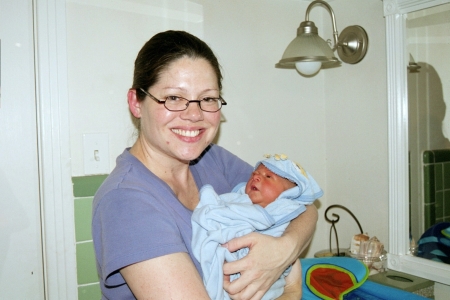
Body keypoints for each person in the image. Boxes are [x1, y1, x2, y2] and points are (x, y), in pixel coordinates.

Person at [92, 30, 318, 300]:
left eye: (208, 98)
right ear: (136, 103)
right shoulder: (125, 202)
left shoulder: (212, 159)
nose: (195, 114)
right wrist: (291, 292)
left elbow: (302, 203)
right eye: (174, 98)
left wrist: (284, 249)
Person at [192, 154, 323, 299]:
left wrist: (288, 246)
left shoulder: (282, 213)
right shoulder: (238, 201)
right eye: (254, 174)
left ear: (288, 194)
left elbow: (309, 210)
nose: (256, 177)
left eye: (268, 177)